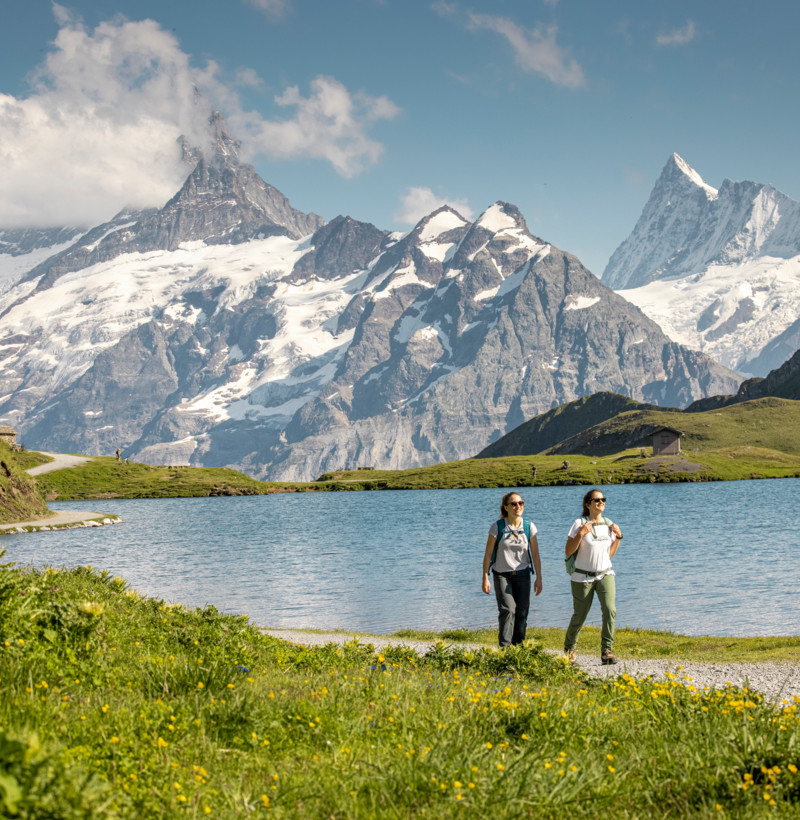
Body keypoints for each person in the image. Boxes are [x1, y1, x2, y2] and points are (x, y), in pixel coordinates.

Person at [563, 489, 623, 665]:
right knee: (580, 616)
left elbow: (610, 553)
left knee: (610, 610)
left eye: (603, 499)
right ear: (587, 504)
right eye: (596, 500)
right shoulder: (579, 523)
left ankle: (607, 651)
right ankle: (569, 650)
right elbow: (568, 551)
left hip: (605, 574)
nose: (601, 502)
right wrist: (581, 534)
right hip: (582, 577)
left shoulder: (609, 524)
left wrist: (618, 537)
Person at [482, 492, 543, 647]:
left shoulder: (529, 527)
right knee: (508, 610)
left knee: (522, 612)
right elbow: (488, 553)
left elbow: (535, 554)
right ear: (506, 507)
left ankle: (518, 648)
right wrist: (485, 578)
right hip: (502, 575)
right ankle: (504, 648)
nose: (518, 507)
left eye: (521, 503)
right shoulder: (498, 527)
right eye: (514, 504)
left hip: (523, 574)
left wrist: (539, 578)